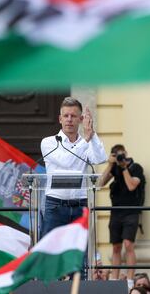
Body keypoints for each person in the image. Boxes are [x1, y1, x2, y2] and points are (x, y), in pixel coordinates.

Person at [40, 97, 107, 276]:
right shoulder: (49, 142)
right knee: (49, 255)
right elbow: (67, 162)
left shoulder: (85, 142)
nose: (69, 119)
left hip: (80, 205)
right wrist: (85, 140)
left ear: (80, 119)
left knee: (79, 259)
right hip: (55, 205)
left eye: (74, 116)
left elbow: (100, 158)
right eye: (66, 116)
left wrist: (91, 134)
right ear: (60, 119)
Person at [99, 144, 146, 286]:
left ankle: (130, 280)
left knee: (128, 244)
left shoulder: (136, 168)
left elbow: (132, 185)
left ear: (126, 153)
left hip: (131, 211)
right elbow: (100, 183)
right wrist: (110, 165)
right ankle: (114, 279)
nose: (120, 158)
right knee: (116, 247)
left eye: (121, 155)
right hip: (116, 212)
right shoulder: (114, 168)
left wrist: (124, 167)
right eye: (117, 155)